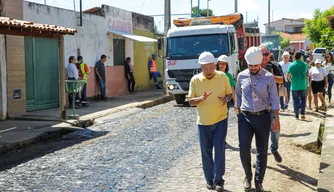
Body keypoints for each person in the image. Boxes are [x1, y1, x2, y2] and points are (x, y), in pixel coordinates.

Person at [235, 46, 280, 192]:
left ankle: (259, 181)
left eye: (256, 65)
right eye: (251, 65)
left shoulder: (268, 77)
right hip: (245, 117)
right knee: (243, 149)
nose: (253, 68)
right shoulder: (241, 76)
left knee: (262, 150)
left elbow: (274, 99)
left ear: (260, 62)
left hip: (263, 117)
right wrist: (238, 113)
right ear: (247, 63)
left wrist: (276, 118)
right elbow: (238, 95)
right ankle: (248, 176)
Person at [188, 51, 232, 192]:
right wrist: (202, 98)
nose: (208, 71)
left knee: (219, 150)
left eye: (211, 67)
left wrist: (226, 99)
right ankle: (209, 180)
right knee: (206, 152)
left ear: (215, 65)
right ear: (201, 68)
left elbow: (229, 94)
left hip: (220, 120)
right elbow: (190, 101)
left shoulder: (223, 77)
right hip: (203, 123)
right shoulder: (195, 80)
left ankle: (219, 181)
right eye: (205, 68)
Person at [259, 45, 284, 163]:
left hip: (273, 104)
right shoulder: (254, 67)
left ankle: (274, 149)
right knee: (260, 134)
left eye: (266, 54)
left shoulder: (275, 66)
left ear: (270, 55)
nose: (264, 57)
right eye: (262, 54)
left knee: (275, 130)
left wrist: (272, 76)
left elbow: (282, 80)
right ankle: (260, 158)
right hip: (258, 106)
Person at [286, 51, 309, 120]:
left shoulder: (291, 65)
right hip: (303, 84)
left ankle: (296, 115)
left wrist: (290, 78)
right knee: (303, 99)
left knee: (295, 100)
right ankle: (302, 113)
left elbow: (288, 75)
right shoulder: (305, 64)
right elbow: (306, 72)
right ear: (301, 57)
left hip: (294, 85)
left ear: (294, 57)